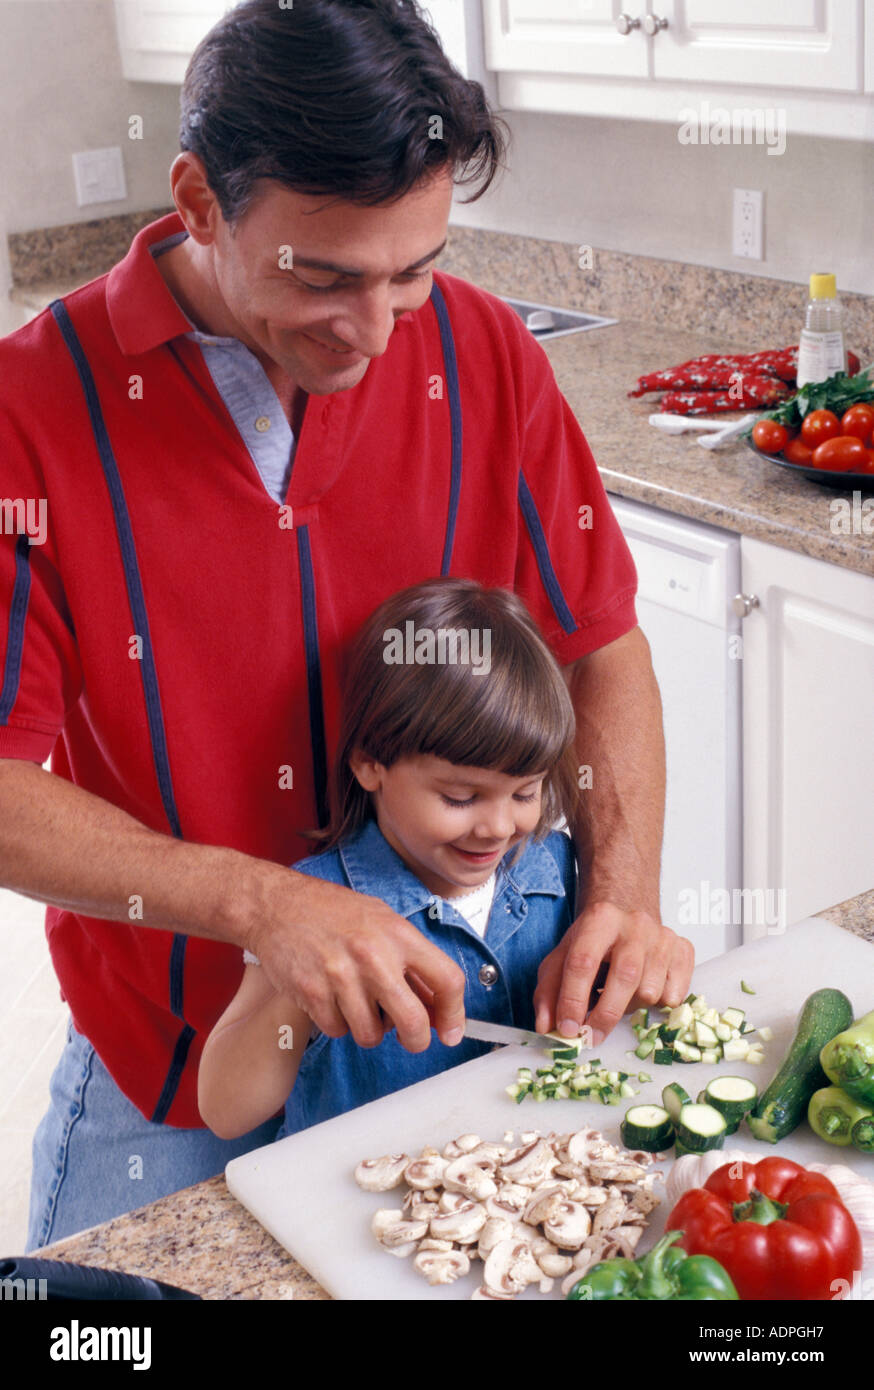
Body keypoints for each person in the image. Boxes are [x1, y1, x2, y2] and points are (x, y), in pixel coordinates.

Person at [0, 0, 693, 1248]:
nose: (375, 332)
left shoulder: (484, 355)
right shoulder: (29, 412)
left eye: (412, 273)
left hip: (447, 1071)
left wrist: (624, 894)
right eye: (322, 278)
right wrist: (269, 907)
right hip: (174, 1076)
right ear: (200, 202)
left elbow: (600, 645)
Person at [199, 578, 585, 1139]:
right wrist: (305, 994)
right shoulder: (316, 902)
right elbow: (225, 1108)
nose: (500, 827)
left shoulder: (552, 867)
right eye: (460, 798)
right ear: (369, 764)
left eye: (526, 793)